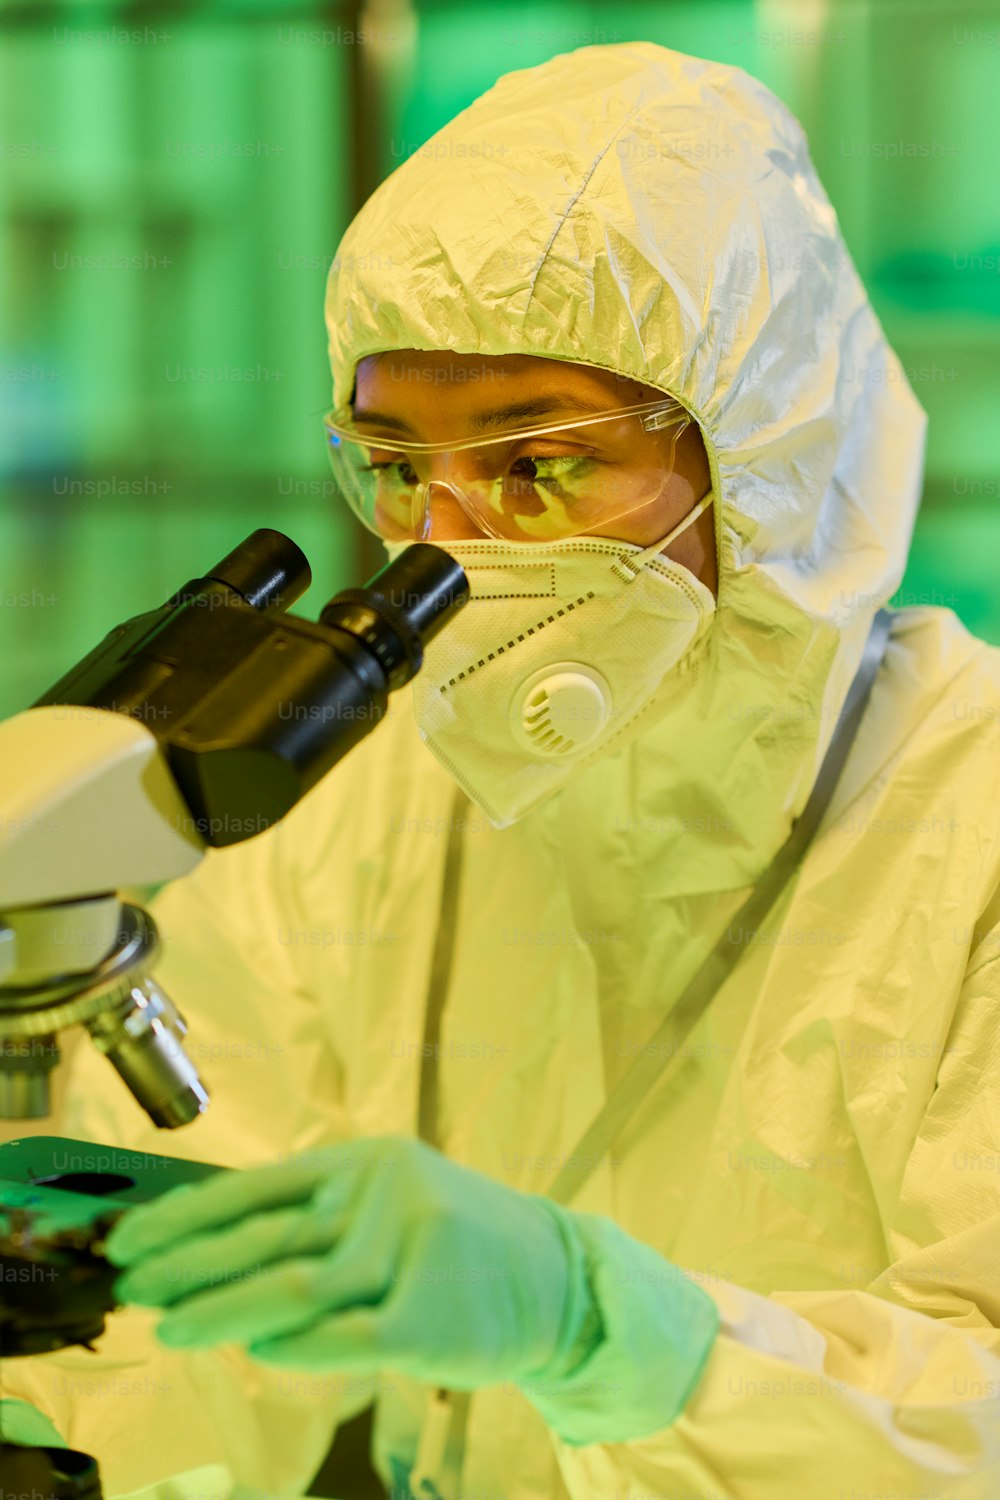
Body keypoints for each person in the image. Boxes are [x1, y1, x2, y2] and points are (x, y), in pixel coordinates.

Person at [4, 38, 1000, 1500]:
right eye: (401, 470)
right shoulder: (379, 803)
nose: (447, 552)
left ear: (766, 450)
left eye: (539, 467)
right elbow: (188, 1337)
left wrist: (601, 1327)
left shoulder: (965, 822)